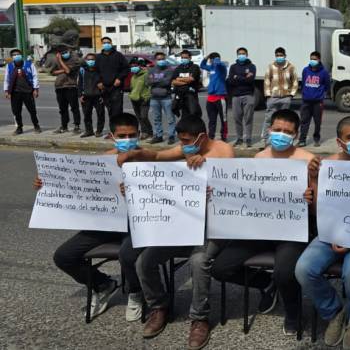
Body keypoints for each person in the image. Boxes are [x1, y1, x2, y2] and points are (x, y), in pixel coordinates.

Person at [119, 116, 234, 349]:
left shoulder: (224, 150)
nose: (183, 145)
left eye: (187, 141)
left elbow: (228, 180)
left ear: (202, 137)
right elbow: (159, 156)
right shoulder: (185, 150)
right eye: (181, 142)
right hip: (182, 224)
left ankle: (199, 318)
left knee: (198, 260)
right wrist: (135, 155)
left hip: (213, 226)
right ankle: (159, 306)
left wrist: (203, 163)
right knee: (144, 261)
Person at [211, 109, 316, 336]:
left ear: (296, 135)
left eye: (287, 132)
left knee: (285, 272)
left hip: (292, 230)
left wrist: (311, 197)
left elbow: (320, 204)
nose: (281, 135)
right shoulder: (259, 158)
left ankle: (293, 312)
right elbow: (247, 192)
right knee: (220, 268)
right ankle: (264, 283)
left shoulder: (307, 161)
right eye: (277, 130)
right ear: (269, 130)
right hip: (260, 228)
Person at [34, 112, 145, 321]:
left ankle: (135, 292)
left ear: (139, 134)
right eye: (122, 136)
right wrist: (46, 184)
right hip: (106, 223)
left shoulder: (151, 160)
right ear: (112, 136)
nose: (127, 140)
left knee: (127, 254)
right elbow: (75, 185)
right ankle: (102, 284)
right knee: (64, 256)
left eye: (132, 135)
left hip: (137, 224)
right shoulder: (103, 161)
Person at [295, 116, 350, 350]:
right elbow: (318, 211)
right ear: (340, 142)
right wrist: (313, 181)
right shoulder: (327, 166)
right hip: (332, 233)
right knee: (304, 269)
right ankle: (335, 312)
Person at [261, 47, 297, 146]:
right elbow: (267, 80)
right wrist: (268, 95)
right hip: (273, 97)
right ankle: (267, 140)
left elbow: (294, 81)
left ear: (285, 56)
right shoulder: (271, 66)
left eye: (281, 55)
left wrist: (291, 94)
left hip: (285, 97)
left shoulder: (291, 67)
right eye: (277, 55)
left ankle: (283, 139)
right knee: (269, 119)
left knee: (284, 120)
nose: (279, 57)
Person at [3, 48, 41, 135]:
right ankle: (19, 128)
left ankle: (36, 126)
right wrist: (7, 91)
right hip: (15, 92)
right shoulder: (9, 66)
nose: (16, 56)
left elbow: (35, 77)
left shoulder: (29, 64)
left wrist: (35, 89)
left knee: (32, 110)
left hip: (27, 91)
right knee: (16, 111)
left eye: (18, 54)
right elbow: (7, 79)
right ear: (12, 57)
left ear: (21, 55)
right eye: (14, 55)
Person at [298, 51, 330, 147]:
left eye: (315, 59)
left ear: (319, 60)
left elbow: (327, 86)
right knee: (304, 121)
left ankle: (316, 139)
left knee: (317, 122)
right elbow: (303, 83)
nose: (313, 61)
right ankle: (302, 140)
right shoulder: (305, 70)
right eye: (311, 59)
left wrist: (320, 94)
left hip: (318, 102)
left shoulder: (324, 72)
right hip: (306, 101)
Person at [227, 47, 256, 147]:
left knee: (248, 118)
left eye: (243, 53)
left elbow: (250, 80)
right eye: (239, 53)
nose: (241, 55)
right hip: (236, 96)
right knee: (237, 118)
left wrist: (237, 77)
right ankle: (239, 138)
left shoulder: (252, 66)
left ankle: (248, 138)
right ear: (237, 55)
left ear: (247, 55)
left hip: (248, 95)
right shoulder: (233, 67)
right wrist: (244, 77)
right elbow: (231, 81)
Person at [95, 36, 129, 122]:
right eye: (104, 43)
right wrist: (98, 81)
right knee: (110, 109)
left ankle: (118, 130)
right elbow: (96, 71)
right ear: (102, 44)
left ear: (111, 43)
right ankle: (113, 130)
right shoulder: (98, 57)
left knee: (117, 109)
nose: (106, 44)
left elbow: (126, 68)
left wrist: (119, 78)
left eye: (108, 42)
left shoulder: (118, 55)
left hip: (116, 87)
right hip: (104, 88)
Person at [146, 52, 177, 145]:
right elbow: (148, 82)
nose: (161, 61)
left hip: (166, 97)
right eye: (159, 59)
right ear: (155, 60)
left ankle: (171, 136)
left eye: (162, 59)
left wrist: (155, 81)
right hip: (154, 98)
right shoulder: (151, 70)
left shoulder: (169, 70)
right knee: (156, 118)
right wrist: (160, 81)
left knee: (170, 118)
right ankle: (158, 136)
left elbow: (167, 82)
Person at [52, 49, 82, 134]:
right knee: (62, 108)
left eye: (65, 52)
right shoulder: (57, 61)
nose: (64, 54)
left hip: (70, 86)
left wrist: (61, 61)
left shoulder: (74, 60)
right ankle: (64, 126)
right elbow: (53, 72)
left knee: (74, 108)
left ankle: (77, 126)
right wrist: (63, 69)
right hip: (59, 87)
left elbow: (68, 71)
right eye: (62, 53)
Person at [200, 52, 228, 141]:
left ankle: (224, 136)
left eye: (213, 59)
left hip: (220, 97)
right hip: (210, 98)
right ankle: (211, 136)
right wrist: (206, 58)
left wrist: (216, 59)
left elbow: (220, 64)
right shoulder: (211, 67)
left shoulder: (222, 68)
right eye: (211, 59)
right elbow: (202, 65)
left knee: (223, 119)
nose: (212, 61)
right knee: (212, 120)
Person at [78, 53, 105, 137]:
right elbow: (79, 83)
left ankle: (99, 131)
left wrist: (103, 93)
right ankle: (89, 131)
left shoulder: (100, 70)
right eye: (88, 59)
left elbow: (105, 83)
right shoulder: (82, 70)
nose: (90, 61)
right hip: (86, 96)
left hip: (98, 96)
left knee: (100, 114)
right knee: (86, 115)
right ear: (86, 60)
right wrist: (80, 95)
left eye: (92, 59)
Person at [172, 49, 203, 119]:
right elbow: (173, 81)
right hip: (181, 95)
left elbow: (191, 79)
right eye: (182, 58)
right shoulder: (178, 68)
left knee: (193, 114)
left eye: (185, 58)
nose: (183, 59)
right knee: (184, 116)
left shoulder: (195, 67)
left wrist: (179, 79)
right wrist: (186, 83)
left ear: (190, 58)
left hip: (191, 95)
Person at [128, 57, 153, 140]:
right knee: (139, 117)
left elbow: (150, 86)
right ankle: (144, 132)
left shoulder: (146, 74)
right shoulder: (133, 77)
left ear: (139, 66)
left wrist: (147, 97)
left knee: (144, 116)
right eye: (131, 66)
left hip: (143, 99)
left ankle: (150, 132)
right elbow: (132, 87)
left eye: (134, 66)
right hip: (134, 99)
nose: (133, 68)